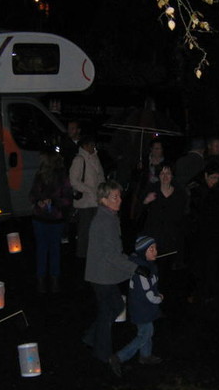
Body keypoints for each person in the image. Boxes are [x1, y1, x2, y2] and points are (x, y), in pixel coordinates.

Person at [83, 181, 142, 363]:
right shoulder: (105, 221)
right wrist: (135, 268)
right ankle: (103, 353)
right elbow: (110, 255)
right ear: (103, 200)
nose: (119, 200)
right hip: (101, 276)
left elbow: (113, 251)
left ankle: (90, 338)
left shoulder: (109, 216)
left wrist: (129, 259)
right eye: (115, 197)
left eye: (119, 196)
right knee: (109, 310)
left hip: (102, 273)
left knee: (113, 308)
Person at [109, 236, 164, 376]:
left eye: (155, 248)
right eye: (151, 249)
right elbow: (147, 294)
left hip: (145, 308)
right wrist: (159, 298)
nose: (155, 252)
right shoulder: (142, 272)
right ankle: (119, 357)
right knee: (145, 334)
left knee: (147, 332)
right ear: (142, 252)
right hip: (142, 308)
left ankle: (145, 356)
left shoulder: (148, 267)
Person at [188, 162, 219, 317]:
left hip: (218, 241)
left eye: (217, 178)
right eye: (212, 177)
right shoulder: (198, 191)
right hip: (203, 240)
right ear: (205, 177)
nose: (214, 181)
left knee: (217, 270)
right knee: (204, 270)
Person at [29, 151, 73, 293]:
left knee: (54, 249)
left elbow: (68, 199)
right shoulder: (40, 175)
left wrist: (53, 201)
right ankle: (41, 279)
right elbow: (32, 195)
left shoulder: (62, 177)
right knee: (42, 249)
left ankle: (54, 279)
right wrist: (38, 201)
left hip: (55, 219)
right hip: (40, 218)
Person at [139, 163, 187, 274]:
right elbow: (139, 208)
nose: (165, 176)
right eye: (162, 173)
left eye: (168, 173)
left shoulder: (179, 193)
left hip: (171, 238)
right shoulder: (152, 189)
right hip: (154, 235)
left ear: (172, 175)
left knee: (168, 270)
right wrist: (146, 201)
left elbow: (181, 216)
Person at [69, 134, 105, 260]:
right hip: (85, 202)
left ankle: (94, 253)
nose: (93, 147)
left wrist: (102, 192)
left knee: (96, 229)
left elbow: (101, 177)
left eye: (93, 144)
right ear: (84, 146)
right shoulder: (79, 159)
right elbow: (74, 181)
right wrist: (90, 190)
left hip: (96, 200)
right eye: (91, 145)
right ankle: (82, 256)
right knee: (84, 230)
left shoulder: (95, 158)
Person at [129, 138, 165, 221]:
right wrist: (138, 169)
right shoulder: (144, 160)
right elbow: (135, 176)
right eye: (155, 148)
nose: (157, 151)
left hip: (158, 190)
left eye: (159, 148)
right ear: (151, 149)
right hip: (144, 188)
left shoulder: (165, 163)